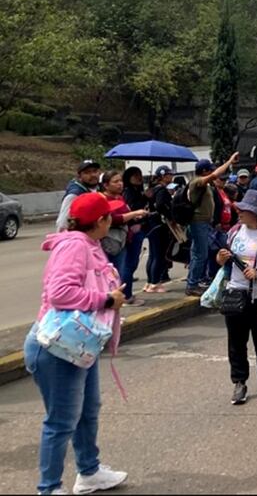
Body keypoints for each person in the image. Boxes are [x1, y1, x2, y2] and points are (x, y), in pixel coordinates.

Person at [25, 192, 128, 495]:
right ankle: (49, 488)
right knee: (61, 422)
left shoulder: (89, 244)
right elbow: (60, 293)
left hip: (80, 344)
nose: (113, 219)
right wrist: (107, 299)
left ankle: (89, 472)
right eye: (110, 215)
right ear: (100, 221)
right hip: (58, 348)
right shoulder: (74, 247)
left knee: (87, 409)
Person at [215, 190, 257, 406]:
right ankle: (239, 382)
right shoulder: (234, 232)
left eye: (244, 209)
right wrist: (221, 258)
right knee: (236, 342)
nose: (239, 212)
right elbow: (222, 261)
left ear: (256, 213)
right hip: (235, 293)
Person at [185, 154, 238, 296]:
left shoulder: (206, 184)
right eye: (209, 170)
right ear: (204, 171)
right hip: (198, 223)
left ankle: (195, 281)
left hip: (205, 223)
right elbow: (216, 174)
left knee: (200, 252)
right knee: (200, 254)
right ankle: (192, 285)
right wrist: (229, 161)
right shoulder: (197, 182)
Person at [99, 170, 149, 306]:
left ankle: (123, 296)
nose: (119, 184)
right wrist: (134, 214)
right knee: (116, 271)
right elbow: (113, 219)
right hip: (112, 241)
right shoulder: (103, 199)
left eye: (120, 181)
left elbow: (125, 214)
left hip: (125, 238)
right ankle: (123, 297)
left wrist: (134, 216)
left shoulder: (120, 197)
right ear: (105, 185)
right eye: (115, 182)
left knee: (125, 267)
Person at [143, 166, 175, 293]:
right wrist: (169, 215)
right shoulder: (161, 190)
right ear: (163, 176)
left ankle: (150, 281)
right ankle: (155, 283)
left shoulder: (152, 190)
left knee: (153, 255)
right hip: (159, 225)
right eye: (169, 174)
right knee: (159, 255)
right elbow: (161, 205)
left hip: (152, 225)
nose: (171, 176)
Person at [56, 159, 101, 231]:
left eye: (95, 171)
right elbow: (63, 223)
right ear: (80, 176)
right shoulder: (75, 194)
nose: (93, 175)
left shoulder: (100, 189)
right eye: (87, 172)